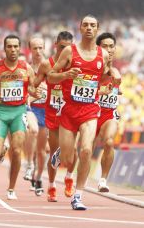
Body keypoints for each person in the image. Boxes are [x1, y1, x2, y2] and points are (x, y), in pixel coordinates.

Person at [48, 15, 120, 210]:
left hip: (90, 110)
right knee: (68, 160)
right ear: (80, 28)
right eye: (86, 25)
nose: (89, 28)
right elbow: (51, 77)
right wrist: (65, 74)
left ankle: (78, 196)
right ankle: (60, 155)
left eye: (93, 25)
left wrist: (113, 78)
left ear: (97, 29)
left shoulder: (103, 55)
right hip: (69, 111)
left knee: (87, 150)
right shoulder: (69, 52)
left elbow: (103, 80)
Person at [0, 35, 39, 200]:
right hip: (1, 111)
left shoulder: (26, 68)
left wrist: (37, 92)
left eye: (15, 46)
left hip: (19, 112)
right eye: (9, 47)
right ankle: (2, 151)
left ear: (20, 48)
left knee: (17, 150)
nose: (13, 50)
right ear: (4, 48)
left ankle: (11, 188)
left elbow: (33, 89)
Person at [34, 31, 77, 202]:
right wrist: (33, 90)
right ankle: (51, 186)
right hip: (53, 112)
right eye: (61, 47)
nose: (64, 50)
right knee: (54, 152)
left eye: (68, 48)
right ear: (55, 45)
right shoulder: (47, 64)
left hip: (71, 111)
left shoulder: (76, 63)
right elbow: (34, 84)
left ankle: (68, 177)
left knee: (73, 150)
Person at [95, 32, 121, 192]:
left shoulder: (117, 72)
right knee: (84, 150)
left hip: (108, 114)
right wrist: (100, 92)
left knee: (109, 142)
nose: (109, 49)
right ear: (98, 48)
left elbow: (115, 88)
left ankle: (103, 180)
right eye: (105, 46)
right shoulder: (92, 69)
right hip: (90, 113)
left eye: (111, 46)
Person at [24, 36, 48, 196]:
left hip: (47, 110)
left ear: (44, 48)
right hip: (31, 109)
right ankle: (29, 165)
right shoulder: (26, 68)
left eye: (40, 48)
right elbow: (25, 91)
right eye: (35, 48)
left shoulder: (51, 66)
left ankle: (38, 177)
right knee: (33, 131)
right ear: (30, 49)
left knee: (42, 151)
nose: (38, 51)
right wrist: (30, 98)